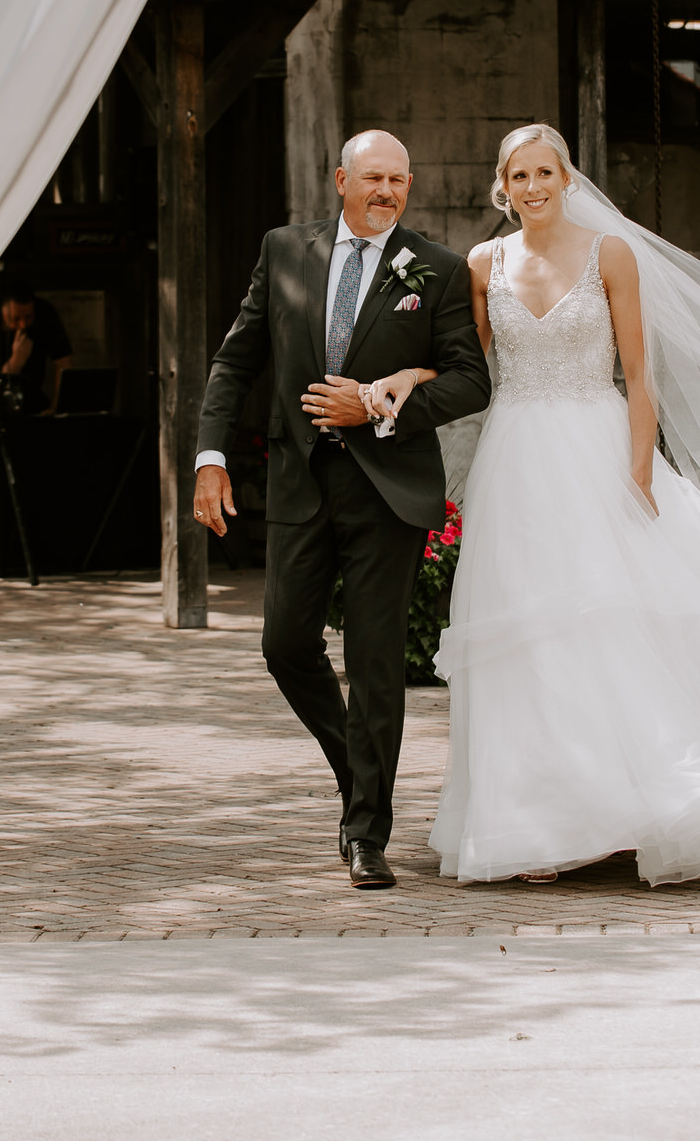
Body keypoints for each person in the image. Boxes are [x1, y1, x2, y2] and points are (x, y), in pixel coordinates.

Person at [369, 124, 700, 885]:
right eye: (519, 175)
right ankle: (541, 822)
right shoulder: (484, 263)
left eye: (545, 172)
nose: (533, 186)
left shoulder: (608, 255)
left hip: (597, 448)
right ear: (502, 185)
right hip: (517, 460)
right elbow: (468, 362)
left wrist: (640, 473)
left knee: (624, 624)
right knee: (533, 634)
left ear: (567, 177)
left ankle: (668, 796)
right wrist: (411, 380)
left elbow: (639, 374)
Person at [192, 130, 491, 889]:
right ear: (340, 180)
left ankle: (367, 834)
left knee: (376, 665)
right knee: (284, 644)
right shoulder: (284, 250)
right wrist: (210, 458)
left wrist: (380, 405)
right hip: (299, 484)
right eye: (373, 178)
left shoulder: (438, 268)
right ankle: (358, 769)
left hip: (387, 491)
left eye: (399, 180)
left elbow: (469, 380)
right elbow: (236, 359)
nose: (386, 191)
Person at [0, 277, 74, 416]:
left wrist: (57, 407)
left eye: (28, 317)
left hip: (33, 399)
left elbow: (64, 362)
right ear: (3, 311)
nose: (23, 325)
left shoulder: (45, 313)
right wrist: (16, 361)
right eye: (16, 319)